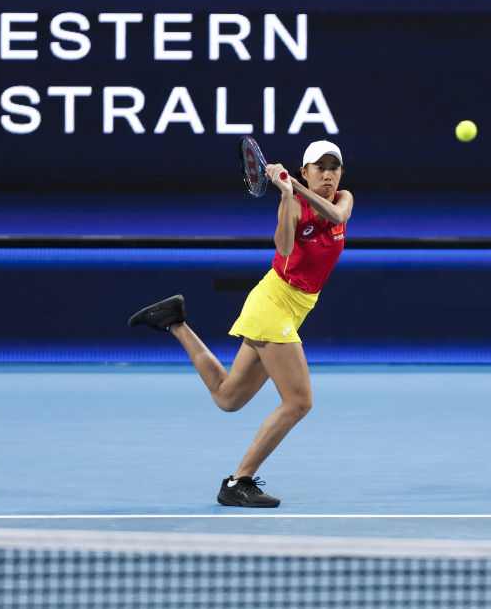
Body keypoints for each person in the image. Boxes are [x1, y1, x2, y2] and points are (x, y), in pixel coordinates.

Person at [127, 140, 352, 508]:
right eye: (319, 167)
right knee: (299, 401)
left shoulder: (344, 199)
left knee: (228, 397)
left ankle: (175, 322)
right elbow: (283, 248)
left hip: (292, 308)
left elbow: (337, 217)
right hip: (274, 304)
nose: (328, 174)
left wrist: (292, 185)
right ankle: (238, 482)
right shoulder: (293, 204)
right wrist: (286, 196)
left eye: (334, 167)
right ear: (305, 170)